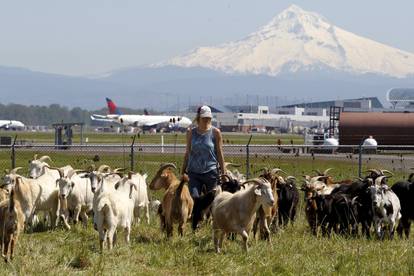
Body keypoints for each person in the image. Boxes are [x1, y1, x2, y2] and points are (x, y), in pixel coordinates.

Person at [182, 105, 225, 199]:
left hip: (211, 172)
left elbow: (219, 153)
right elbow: (188, 152)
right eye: (204, 118)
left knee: (212, 200)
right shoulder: (190, 132)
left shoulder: (215, 132)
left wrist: (223, 172)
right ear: (199, 118)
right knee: (194, 198)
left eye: (208, 118)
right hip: (194, 172)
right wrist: (183, 170)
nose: (206, 120)